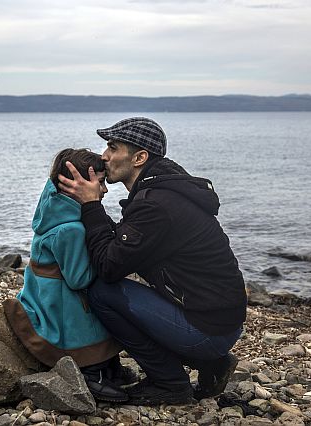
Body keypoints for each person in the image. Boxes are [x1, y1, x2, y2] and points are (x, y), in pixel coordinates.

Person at [58, 117, 247, 405]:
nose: (104, 156)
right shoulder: (161, 190)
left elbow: (109, 267)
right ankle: (210, 363)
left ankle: (170, 383)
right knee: (118, 291)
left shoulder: (156, 204)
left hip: (208, 331)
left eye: (112, 147)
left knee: (101, 291)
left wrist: (91, 205)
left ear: (139, 157)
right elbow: (123, 246)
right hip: (218, 320)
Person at [3, 148, 134, 402]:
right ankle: (91, 372)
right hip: (61, 300)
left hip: (43, 288)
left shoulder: (54, 208)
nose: (105, 190)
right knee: (91, 322)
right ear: (77, 185)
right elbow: (78, 279)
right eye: (100, 183)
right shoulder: (71, 229)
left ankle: (108, 365)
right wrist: (103, 261)